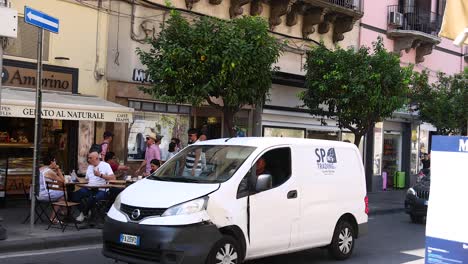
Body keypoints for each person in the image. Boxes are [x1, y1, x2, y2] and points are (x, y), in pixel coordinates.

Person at [74, 150, 115, 222]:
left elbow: (113, 178)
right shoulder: (90, 167)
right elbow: (87, 180)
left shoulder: (105, 165)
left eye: (90, 158)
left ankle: (84, 213)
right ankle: (84, 212)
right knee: (75, 195)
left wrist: (100, 175)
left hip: (102, 190)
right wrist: (77, 178)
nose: (88, 160)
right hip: (90, 189)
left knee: (93, 198)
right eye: (88, 158)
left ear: (96, 158)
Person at [38, 154, 66, 224]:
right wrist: (58, 169)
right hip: (42, 194)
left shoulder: (40, 169)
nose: (55, 163)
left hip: (35, 193)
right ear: (52, 162)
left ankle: (62, 211)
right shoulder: (49, 171)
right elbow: (62, 180)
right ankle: (56, 215)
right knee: (63, 194)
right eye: (55, 161)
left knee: (61, 194)